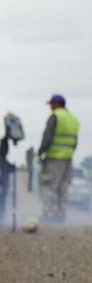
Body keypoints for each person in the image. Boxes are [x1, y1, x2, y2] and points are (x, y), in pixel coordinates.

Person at [38, 94, 79, 223]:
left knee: (47, 185)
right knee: (63, 187)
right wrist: (69, 153)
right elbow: (74, 141)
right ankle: (60, 216)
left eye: (51, 104)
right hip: (68, 158)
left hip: (53, 158)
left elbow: (47, 136)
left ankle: (48, 215)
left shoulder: (55, 116)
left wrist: (41, 151)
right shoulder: (73, 119)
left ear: (57, 104)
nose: (50, 107)